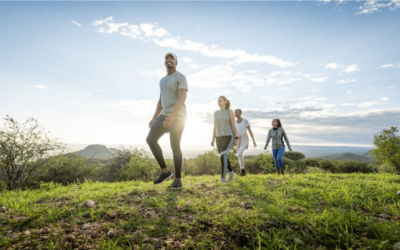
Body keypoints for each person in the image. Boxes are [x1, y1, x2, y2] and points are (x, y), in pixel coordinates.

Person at [146, 53, 188, 189]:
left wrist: (172, 115)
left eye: (171, 58)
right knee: (150, 140)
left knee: (175, 146)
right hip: (163, 115)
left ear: (176, 62)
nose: (168, 60)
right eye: (166, 59)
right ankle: (165, 171)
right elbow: (161, 100)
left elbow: (182, 98)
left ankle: (178, 180)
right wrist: (154, 117)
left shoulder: (180, 77)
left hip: (178, 115)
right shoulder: (162, 80)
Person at [211, 96, 239, 183]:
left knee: (223, 155)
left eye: (221, 101)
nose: (219, 102)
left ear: (225, 102)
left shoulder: (229, 111)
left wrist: (236, 138)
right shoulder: (216, 113)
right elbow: (215, 126)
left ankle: (223, 179)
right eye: (218, 101)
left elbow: (233, 125)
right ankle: (231, 172)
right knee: (223, 156)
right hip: (219, 137)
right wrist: (213, 139)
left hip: (228, 136)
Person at [234, 109, 257, 176]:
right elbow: (233, 133)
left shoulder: (245, 121)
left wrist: (253, 141)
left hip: (244, 139)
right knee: (239, 155)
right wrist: (233, 143)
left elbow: (250, 131)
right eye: (234, 112)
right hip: (237, 139)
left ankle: (242, 169)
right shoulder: (234, 122)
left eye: (236, 112)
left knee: (239, 153)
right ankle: (242, 170)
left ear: (240, 113)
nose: (235, 113)